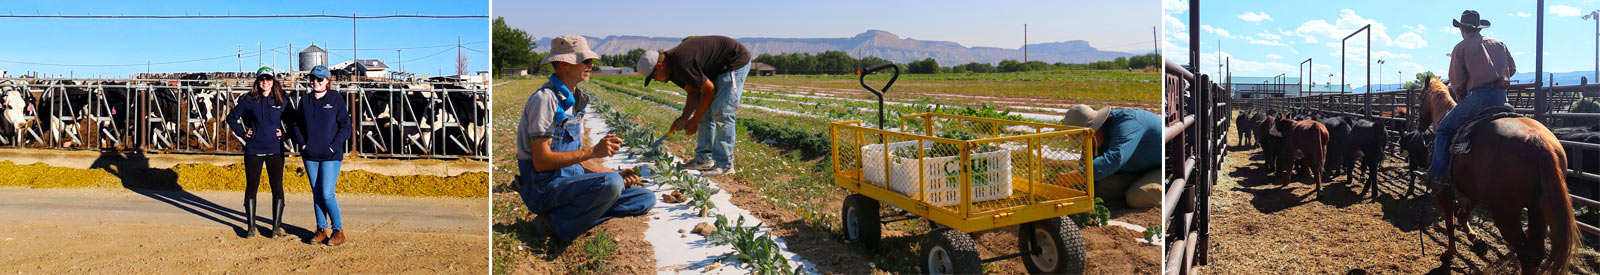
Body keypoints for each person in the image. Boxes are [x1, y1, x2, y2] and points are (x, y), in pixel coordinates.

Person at [518, 34, 653, 245]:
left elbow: (580, 160)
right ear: (564, 64)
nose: (591, 64)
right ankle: (552, 226)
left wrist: (614, 173)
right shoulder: (545, 100)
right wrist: (595, 152)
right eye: (585, 60)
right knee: (612, 185)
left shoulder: (573, 102)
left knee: (643, 198)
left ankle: (564, 219)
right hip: (544, 187)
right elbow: (541, 161)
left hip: (570, 183)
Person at [635, 35, 751, 176]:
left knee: (722, 111)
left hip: (733, 62)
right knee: (703, 113)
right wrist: (684, 118)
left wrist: (694, 120)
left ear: (659, 67)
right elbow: (692, 92)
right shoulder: (671, 71)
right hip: (715, 68)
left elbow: (710, 91)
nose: (656, 80)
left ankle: (725, 164)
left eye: (653, 77)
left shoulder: (682, 64)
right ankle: (703, 159)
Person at [1432, 10, 1515, 186]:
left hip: (1477, 98)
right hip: (1502, 98)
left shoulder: (1460, 48)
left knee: (1443, 129)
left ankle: (1438, 176)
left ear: (1462, 28)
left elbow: (1458, 82)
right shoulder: (1499, 44)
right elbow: (1512, 69)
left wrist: (1463, 97)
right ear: (1478, 28)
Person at [289, 65, 352, 246]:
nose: (315, 82)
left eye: (319, 79)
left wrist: (333, 147)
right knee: (316, 192)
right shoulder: (306, 100)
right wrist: (302, 144)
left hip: (331, 155)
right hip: (310, 154)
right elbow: (296, 125)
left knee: (327, 193)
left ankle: (338, 230)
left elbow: (345, 126)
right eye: (313, 79)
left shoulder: (336, 99)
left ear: (327, 81)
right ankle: (321, 229)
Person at [225, 66, 288, 238]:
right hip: (254, 149)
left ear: (273, 81)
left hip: (275, 150)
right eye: (262, 79)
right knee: (252, 186)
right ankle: (251, 227)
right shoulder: (249, 100)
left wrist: (286, 134)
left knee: (277, 187)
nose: (265, 82)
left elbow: (293, 119)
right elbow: (231, 117)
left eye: (268, 79)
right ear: (257, 82)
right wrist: (243, 132)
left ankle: (276, 227)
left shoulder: (281, 99)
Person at [1061, 104, 1162, 209]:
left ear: (1096, 127)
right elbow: (1086, 166)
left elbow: (1115, 159)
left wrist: (1074, 176)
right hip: (1137, 169)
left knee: (1139, 196)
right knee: (1096, 187)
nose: (1086, 145)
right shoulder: (1095, 138)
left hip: (1161, 167)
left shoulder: (1128, 123)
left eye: (1085, 140)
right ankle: (1127, 196)